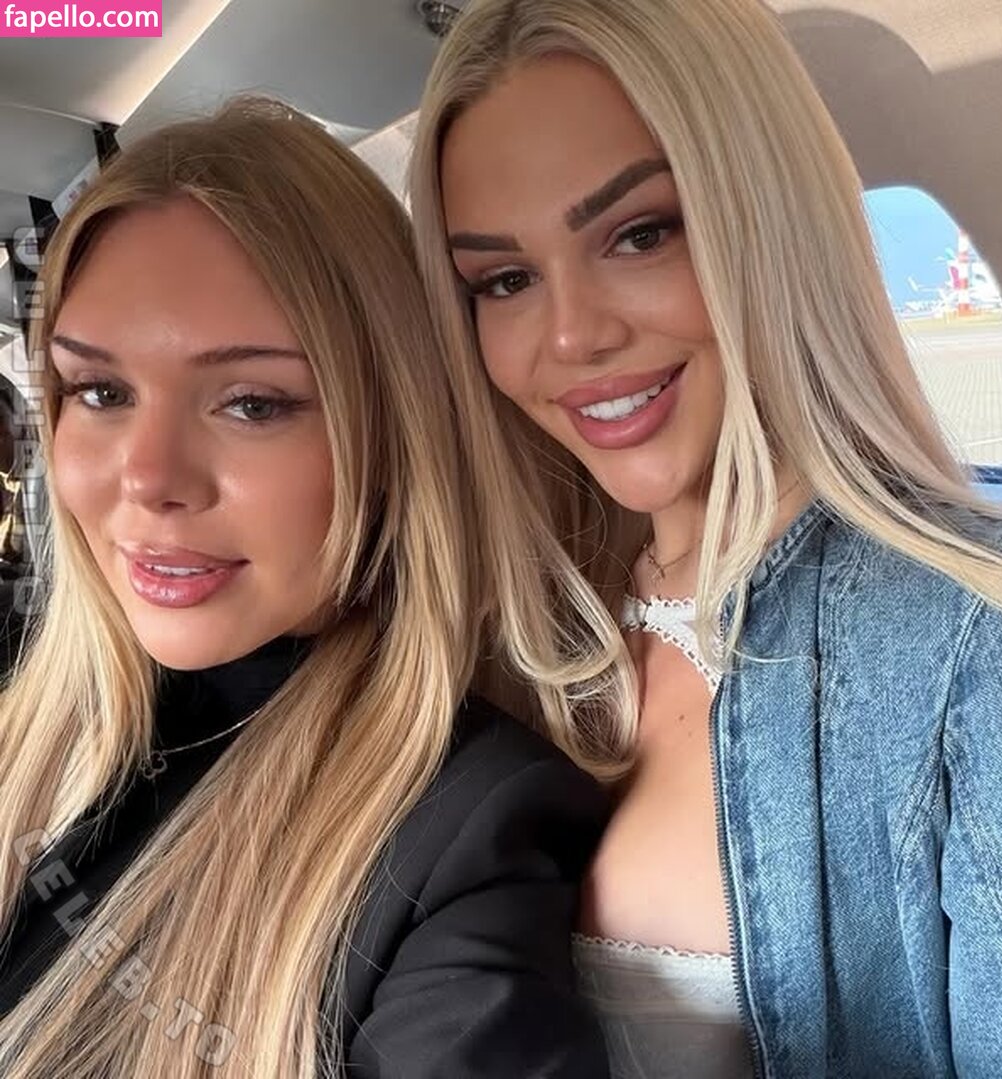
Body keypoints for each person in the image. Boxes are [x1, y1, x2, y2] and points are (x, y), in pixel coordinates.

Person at [407, 1, 1002, 1075]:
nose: (572, 334)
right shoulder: (500, 650)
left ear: (765, 216)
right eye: (505, 280)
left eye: (640, 233)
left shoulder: (985, 640)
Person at [0, 98, 612, 1079]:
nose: (148, 477)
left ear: (391, 433)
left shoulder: (465, 833)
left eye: (252, 402)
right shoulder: (27, 725)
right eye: (102, 393)